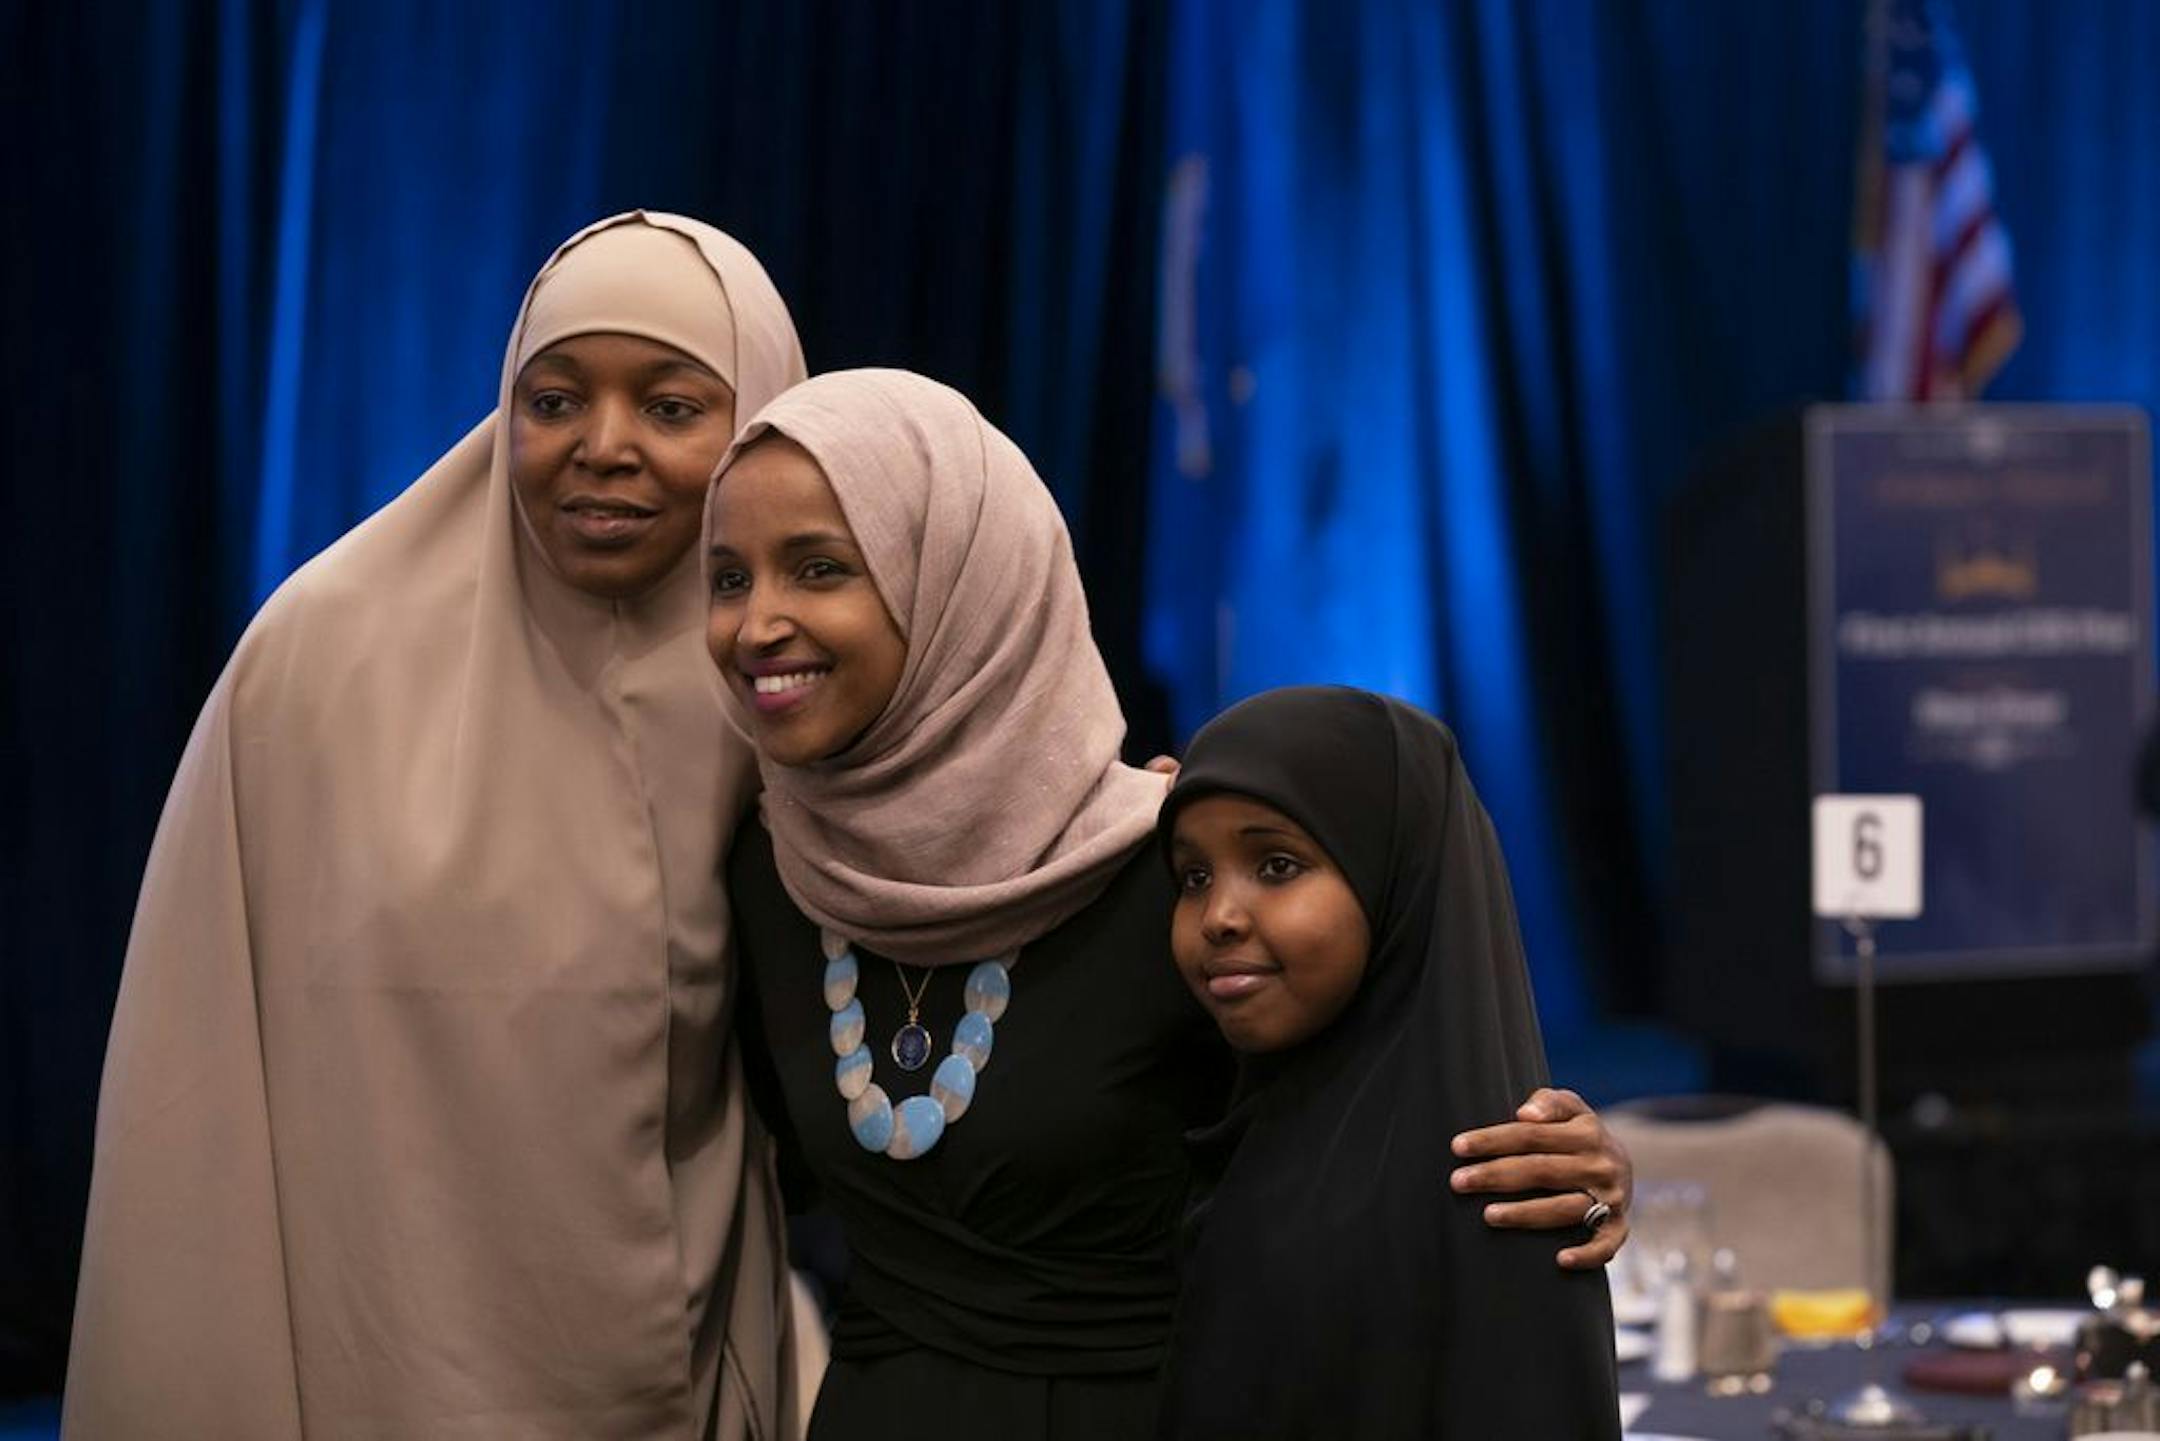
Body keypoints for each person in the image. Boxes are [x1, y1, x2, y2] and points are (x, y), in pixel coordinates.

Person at [707, 370, 1630, 1440]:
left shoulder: (1173, 871)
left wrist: (1579, 1175)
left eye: (820, 567)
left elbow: (1380, 1118)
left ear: (958, 579)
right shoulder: (765, 875)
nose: (756, 623)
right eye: (727, 578)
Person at [66, 212, 808, 1439]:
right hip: (386, 1364)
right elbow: (193, 1088)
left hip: (684, 1353)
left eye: (673, 408)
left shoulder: (783, 673)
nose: (602, 448)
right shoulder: (319, 660)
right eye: (554, 399)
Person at [1155, 686, 1621, 1438]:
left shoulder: (1503, 1196)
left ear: (1395, 878)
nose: (1219, 916)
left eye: (1276, 864)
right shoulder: (1223, 1142)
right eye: (1193, 877)